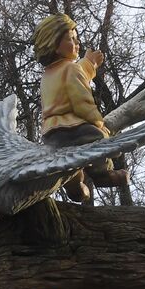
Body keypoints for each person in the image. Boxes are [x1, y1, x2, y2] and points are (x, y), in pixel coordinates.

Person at [34, 13, 128, 200]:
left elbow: (77, 72)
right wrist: (97, 121)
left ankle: (75, 184)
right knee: (99, 139)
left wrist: (89, 63)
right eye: (72, 39)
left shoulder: (47, 75)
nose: (77, 43)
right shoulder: (70, 69)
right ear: (55, 45)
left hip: (50, 133)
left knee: (68, 160)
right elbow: (81, 100)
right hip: (72, 127)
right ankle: (104, 174)